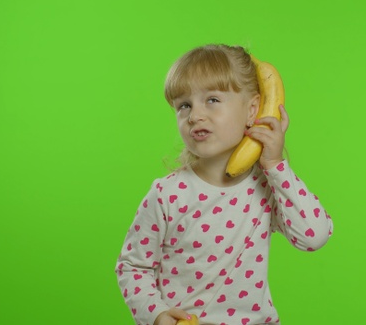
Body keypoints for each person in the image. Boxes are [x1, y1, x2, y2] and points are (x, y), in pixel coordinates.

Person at [115, 44, 334, 325]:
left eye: (213, 100)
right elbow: (132, 267)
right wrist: (156, 314)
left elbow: (314, 236)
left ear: (252, 110)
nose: (195, 116)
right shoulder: (167, 194)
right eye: (184, 105)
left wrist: (276, 166)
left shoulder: (267, 188)